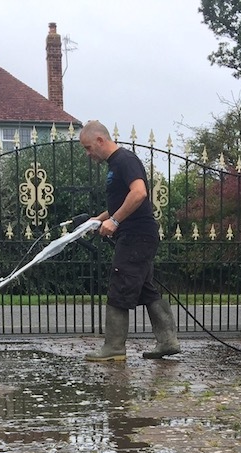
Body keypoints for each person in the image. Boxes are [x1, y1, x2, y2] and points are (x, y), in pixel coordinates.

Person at [77, 120, 181, 362]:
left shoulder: (124, 160)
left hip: (137, 236)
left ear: (100, 140)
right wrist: (100, 219)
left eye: (88, 148)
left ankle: (114, 347)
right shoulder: (115, 165)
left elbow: (139, 193)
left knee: (120, 284)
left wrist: (114, 221)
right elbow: (122, 202)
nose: (88, 154)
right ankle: (168, 341)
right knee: (145, 289)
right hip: (138, 235)